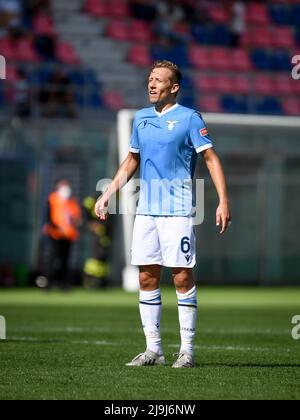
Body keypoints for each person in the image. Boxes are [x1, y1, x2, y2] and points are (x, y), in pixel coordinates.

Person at [95, 60, 231, 368]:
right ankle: (153, 350)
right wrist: (108, 193)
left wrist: (223, 200)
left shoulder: (189, 119)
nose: (152, 84)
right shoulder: (141, 119)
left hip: (179, 211)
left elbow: (210, 159)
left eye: (159, 80)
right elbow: (131, 161)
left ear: (174, 87)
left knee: (181, 276)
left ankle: (187, 351)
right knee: (146, 276)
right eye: (150, 79)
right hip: (146, 212)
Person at [43, 179, 82, 289]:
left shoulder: (72, 201)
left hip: (68, 235)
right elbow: (48, 216)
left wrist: (76, 223)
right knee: (52, 259)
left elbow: (76, 217)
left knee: (65, 260)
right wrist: (56, 228)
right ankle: (48, 284)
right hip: (55, 234)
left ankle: (64, 284)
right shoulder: (53, 199)